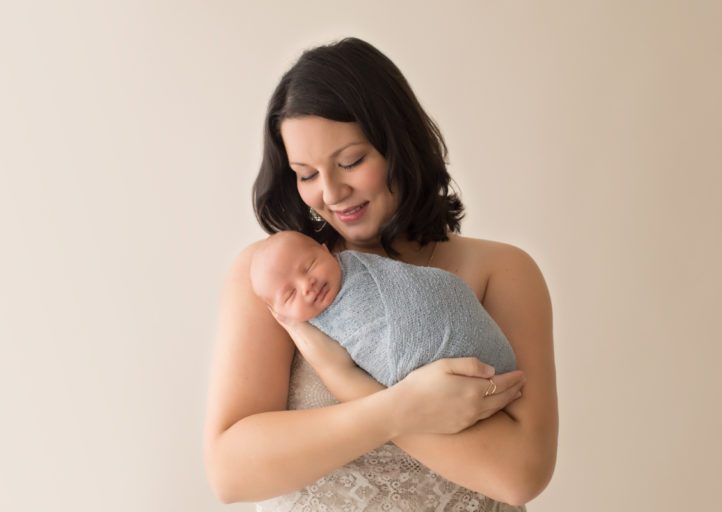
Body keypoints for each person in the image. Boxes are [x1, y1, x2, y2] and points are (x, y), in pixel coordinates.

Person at [204, 37, 558, 510]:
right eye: (306, 174)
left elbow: (520, 475)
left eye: (350, 161)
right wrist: (401, 409)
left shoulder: (501, 271)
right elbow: (230, 473)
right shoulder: (277, 279)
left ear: (398, 144)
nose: (331, 192)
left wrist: (347, 381)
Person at [249, 230, 518, 391]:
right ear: (279, 313)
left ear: (326, 251)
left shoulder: (359, 267)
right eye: (290, 294)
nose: (307, 285)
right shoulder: (304, 330)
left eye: (309, 266)